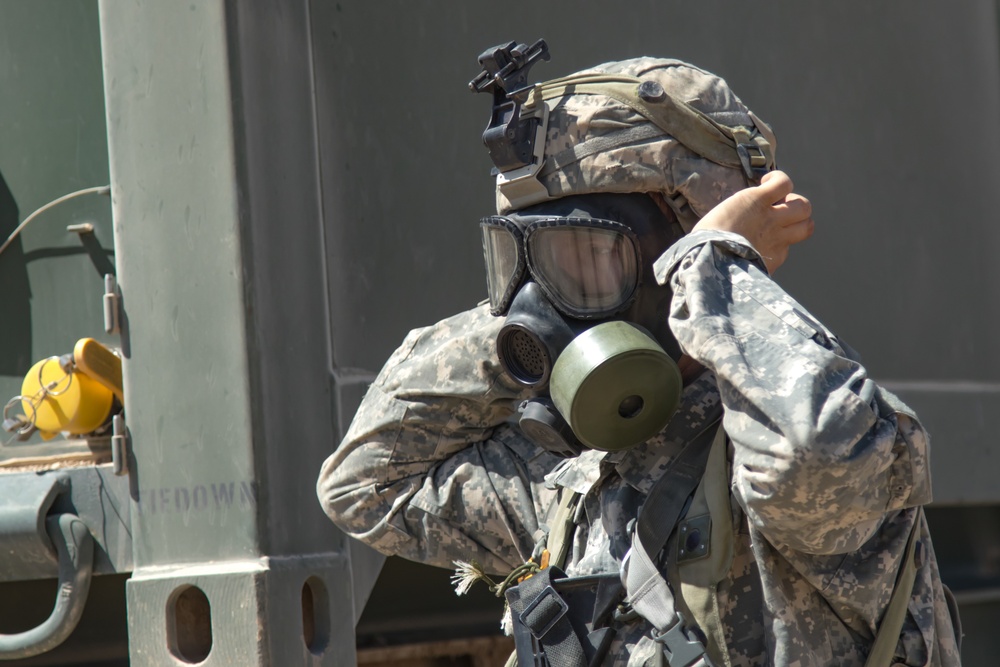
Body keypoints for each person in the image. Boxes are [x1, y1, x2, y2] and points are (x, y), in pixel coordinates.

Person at [318, 45, 962, 667]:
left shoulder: (794, 442)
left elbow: (814, 453)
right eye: (527, 260)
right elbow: (365, 486)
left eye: (587, 259)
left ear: (681, 248)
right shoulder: (573, 477)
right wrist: (513, 327)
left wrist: (718, 265)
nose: (554, 302)